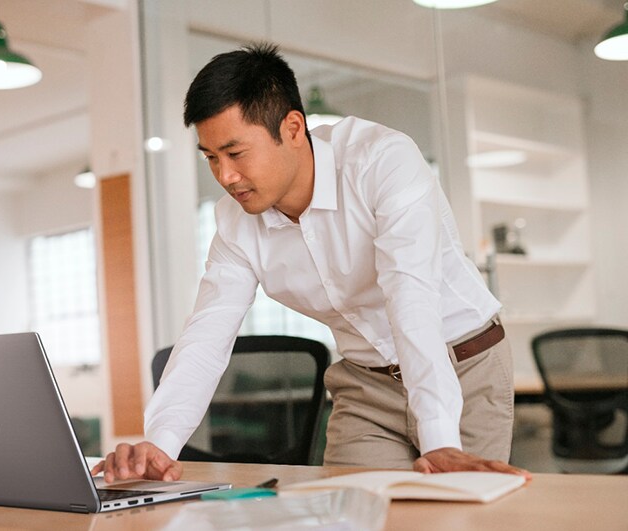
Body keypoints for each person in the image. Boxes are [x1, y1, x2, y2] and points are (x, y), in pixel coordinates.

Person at [93, 43, 530, 483]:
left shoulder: (382, 161)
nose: (224, 176)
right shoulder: (234, 223)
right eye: (210, 158)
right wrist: (161, 442)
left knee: (455, 518)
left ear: (294, 127)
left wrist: (439, 440)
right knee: (351, 515)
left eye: (235, 153)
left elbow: (410, 295)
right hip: (366, 388)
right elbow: (207, 333)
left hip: (465, 365)